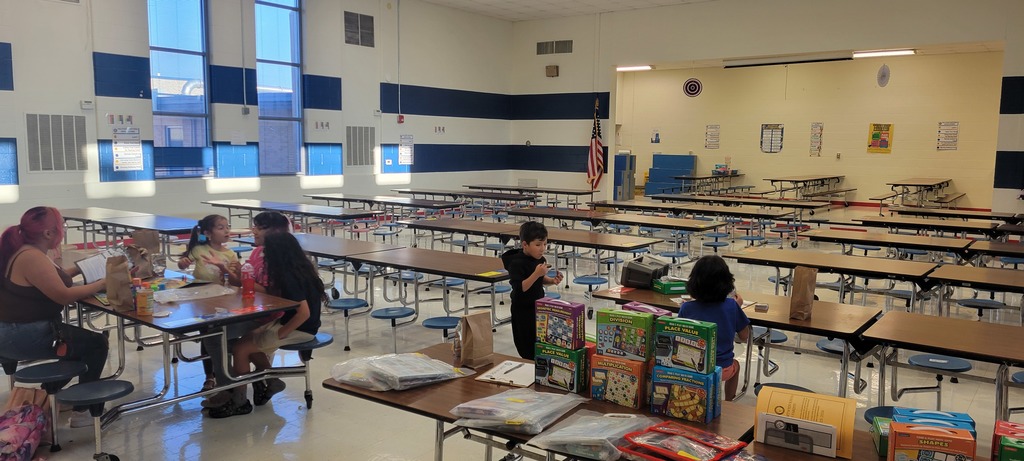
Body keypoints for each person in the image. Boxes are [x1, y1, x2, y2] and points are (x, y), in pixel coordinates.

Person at [0, 207, 109, 428]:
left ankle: (53, 394)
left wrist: (82, 269)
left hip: (17, 331)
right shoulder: (31, 257)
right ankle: (83, 411)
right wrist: (103, 283)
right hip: (23, 335)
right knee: (96, 344)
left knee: (78, 343)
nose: (64, 230)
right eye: (62, 226)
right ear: (49, 233)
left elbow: (52, 279)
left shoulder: (29, 251)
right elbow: (64, 295)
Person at [208, 232, 324, 418]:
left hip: (300, 328)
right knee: (248, 339)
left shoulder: (289, 276)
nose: (265, 256)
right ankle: (272, 381)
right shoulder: (296, 269)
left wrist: (281, 334)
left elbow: (304, 313)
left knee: (240, 350)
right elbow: (272, 293)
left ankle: (240, 402)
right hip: (295, 323)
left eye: (267, 252)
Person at [199, 211, 291, 409]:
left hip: (267, 314)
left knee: (215, 337)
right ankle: (267, 376)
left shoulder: (279, 257)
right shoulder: (257, 252)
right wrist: (227, 271)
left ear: (274, 231)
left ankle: (228, 390)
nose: (253, 230)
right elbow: (241, 283)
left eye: (258, 227)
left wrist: (243, 277)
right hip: (249, 307)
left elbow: (268, 293)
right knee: (220, 334)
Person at [178, 214, 240, 391]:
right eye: (221, 228)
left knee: (223, 335)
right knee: (206, 337)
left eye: (227, 226)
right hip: (201, 300)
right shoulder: (198, 250)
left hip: (224, 300)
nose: (226, 230)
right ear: (208, 233)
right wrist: (182, 263)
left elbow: (236, 279)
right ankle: (209, 376)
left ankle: (227, 372)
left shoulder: (230, 254)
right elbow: (184, 264)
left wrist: (224, 268)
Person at [678, 255, 750, 401]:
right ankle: (729, 401)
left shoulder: (686, 308)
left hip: (691, 369)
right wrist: (738, 307)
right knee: (735, 367)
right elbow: (744, 336)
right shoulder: (731, 306)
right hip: (722, 369)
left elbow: (679, 337)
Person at [500, 221, 563, 360]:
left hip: (538, 307)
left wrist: (551, 280)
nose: (542, 249)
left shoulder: (540, 259)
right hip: (522, 310)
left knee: (539, 342)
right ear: (525, 245)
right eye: (538, 245)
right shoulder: (516, 263)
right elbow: (521, 287)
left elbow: (539, 280)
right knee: (526, 345)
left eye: (545, 244)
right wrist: (537, 274)